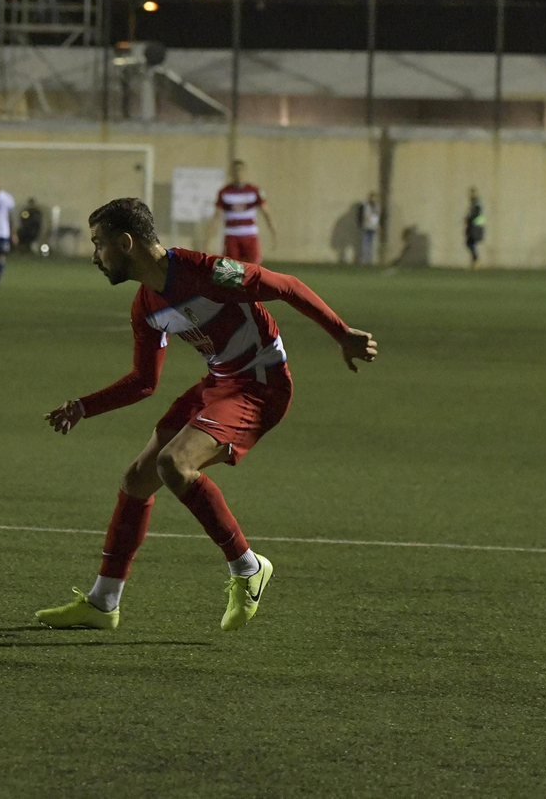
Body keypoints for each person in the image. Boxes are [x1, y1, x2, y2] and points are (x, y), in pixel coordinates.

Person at [36, 197, 376, 633]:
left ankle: (248, 568)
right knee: (137, 479)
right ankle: (103, 603)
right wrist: (84, 407)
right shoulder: (146, 306)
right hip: (220, 382)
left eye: (99, 244)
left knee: (173, 463)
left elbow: (286, 285)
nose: (94, 256)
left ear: (125, 243)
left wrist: (342, 334)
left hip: (261, 383)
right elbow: (145, 381)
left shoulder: (208, 273)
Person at [206, 160, 275, 264]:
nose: (238, 174)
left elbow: (266, 212)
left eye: (240, 171)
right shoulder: (224, 192)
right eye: (235, 171)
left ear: (245, 172)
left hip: (250, 234)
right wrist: (208, 238)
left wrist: (273, 231)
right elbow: (217, 216)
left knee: (253, 268)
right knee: (231, 268)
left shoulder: (254, 190)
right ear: (231, 173)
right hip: (232, 235)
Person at [464, 187, 485, 269]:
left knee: (470, 243)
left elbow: (476, 215)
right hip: (474, 227)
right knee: (470, 243)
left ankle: (476, 260)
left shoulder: (475, 203)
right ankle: (475, 261)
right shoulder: (474, 203)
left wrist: (469, 220)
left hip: (475, 227)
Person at [358, 192, 381, 265]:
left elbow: (379, 217)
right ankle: (363, 259)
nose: (373, 199)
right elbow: (360, 216)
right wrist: (361, 224)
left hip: (374, 228)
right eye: (372, 197)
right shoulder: (365, 206)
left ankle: (370, 260)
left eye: (374, 197)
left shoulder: (378, 206)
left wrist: (379, 226)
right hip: (366, 227)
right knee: (364, 244)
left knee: (372, 244)